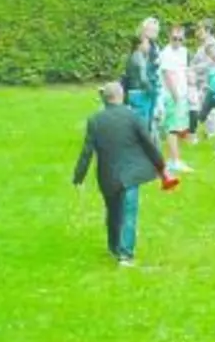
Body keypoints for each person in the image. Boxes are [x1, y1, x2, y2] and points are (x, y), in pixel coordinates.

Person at [72, 82, 168, 267]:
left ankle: (114, 246)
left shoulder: (95, 120)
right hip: (131, 174)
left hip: (107, 174)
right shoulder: (133, 116)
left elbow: (87, 151)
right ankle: (125, 255)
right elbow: (148, 143)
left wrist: (79, 176)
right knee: (129, 213)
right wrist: (161, 166)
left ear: (104, 98)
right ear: (121, 96)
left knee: (113, 211)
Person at [157, 25, 194, 174]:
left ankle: (174, 158)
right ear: (169, 38)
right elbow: (167, 75)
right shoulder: (166, 53)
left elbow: (184, 70)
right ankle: (175, 161)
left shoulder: (184, 52)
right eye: (174, 38)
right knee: (172, 128)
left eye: (180, 39)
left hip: (182, 93)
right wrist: (175, 95)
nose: (177, 41)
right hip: (171, 95)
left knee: (179, 126)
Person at [121, 33, 157, 133]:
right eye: (146, 43)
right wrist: (151, 91)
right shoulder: (139, 57)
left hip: (132, 92)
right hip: (140, 93)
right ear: (139, 45)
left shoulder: (131, 56)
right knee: (143, 124)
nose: (149, 46)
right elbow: (143, 78)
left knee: (135, 122)